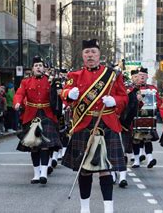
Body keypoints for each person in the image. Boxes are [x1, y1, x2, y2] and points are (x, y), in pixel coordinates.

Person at [61, 39, 128, 213]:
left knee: (105, 169)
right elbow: (64, 94)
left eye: (93, 52)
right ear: (82, 55)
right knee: (85, 169)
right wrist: (69, 94)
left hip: (106, 123)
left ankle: (108, 209)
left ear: (99, 55)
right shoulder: (74, 76)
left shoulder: (112, 75)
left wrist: (115, 101)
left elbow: (124, 97)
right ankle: (85, 209)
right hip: (84, 124)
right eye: (87, 52)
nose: (90, 55)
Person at [13, 56, 61, 184]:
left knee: (45, 146)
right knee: (34, 146)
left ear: (44, 68)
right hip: (31, 115)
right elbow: (19, 94)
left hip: (47, 114)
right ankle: (36, 173)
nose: (38, 67)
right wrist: (17, 102)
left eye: (40, 65)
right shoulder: (26, 82)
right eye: (36, 65)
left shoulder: (50, 81)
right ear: (32, 68)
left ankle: (44, 173)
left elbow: (58, 97)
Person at [131, 67, 161, 169]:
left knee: (147, 139)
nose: (142, 76)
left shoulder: (152, 88)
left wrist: (154, 104)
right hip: (135, 118)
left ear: (147, 76)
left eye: (144, 75)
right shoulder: (131, 89)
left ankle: (150, 159)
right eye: (140, 75)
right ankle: (136, 160)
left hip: (148, 118)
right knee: (136, 140)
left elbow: (159, 102)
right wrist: (136, 99)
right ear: (136, 77)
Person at [117, 69, 140, 187]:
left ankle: (122, 176)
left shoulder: (130, 92)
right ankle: (112, 174)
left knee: (123, 152)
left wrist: (125, 123)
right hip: (108, 124)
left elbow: (132, 108)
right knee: (109, 152)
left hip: (123, 125)